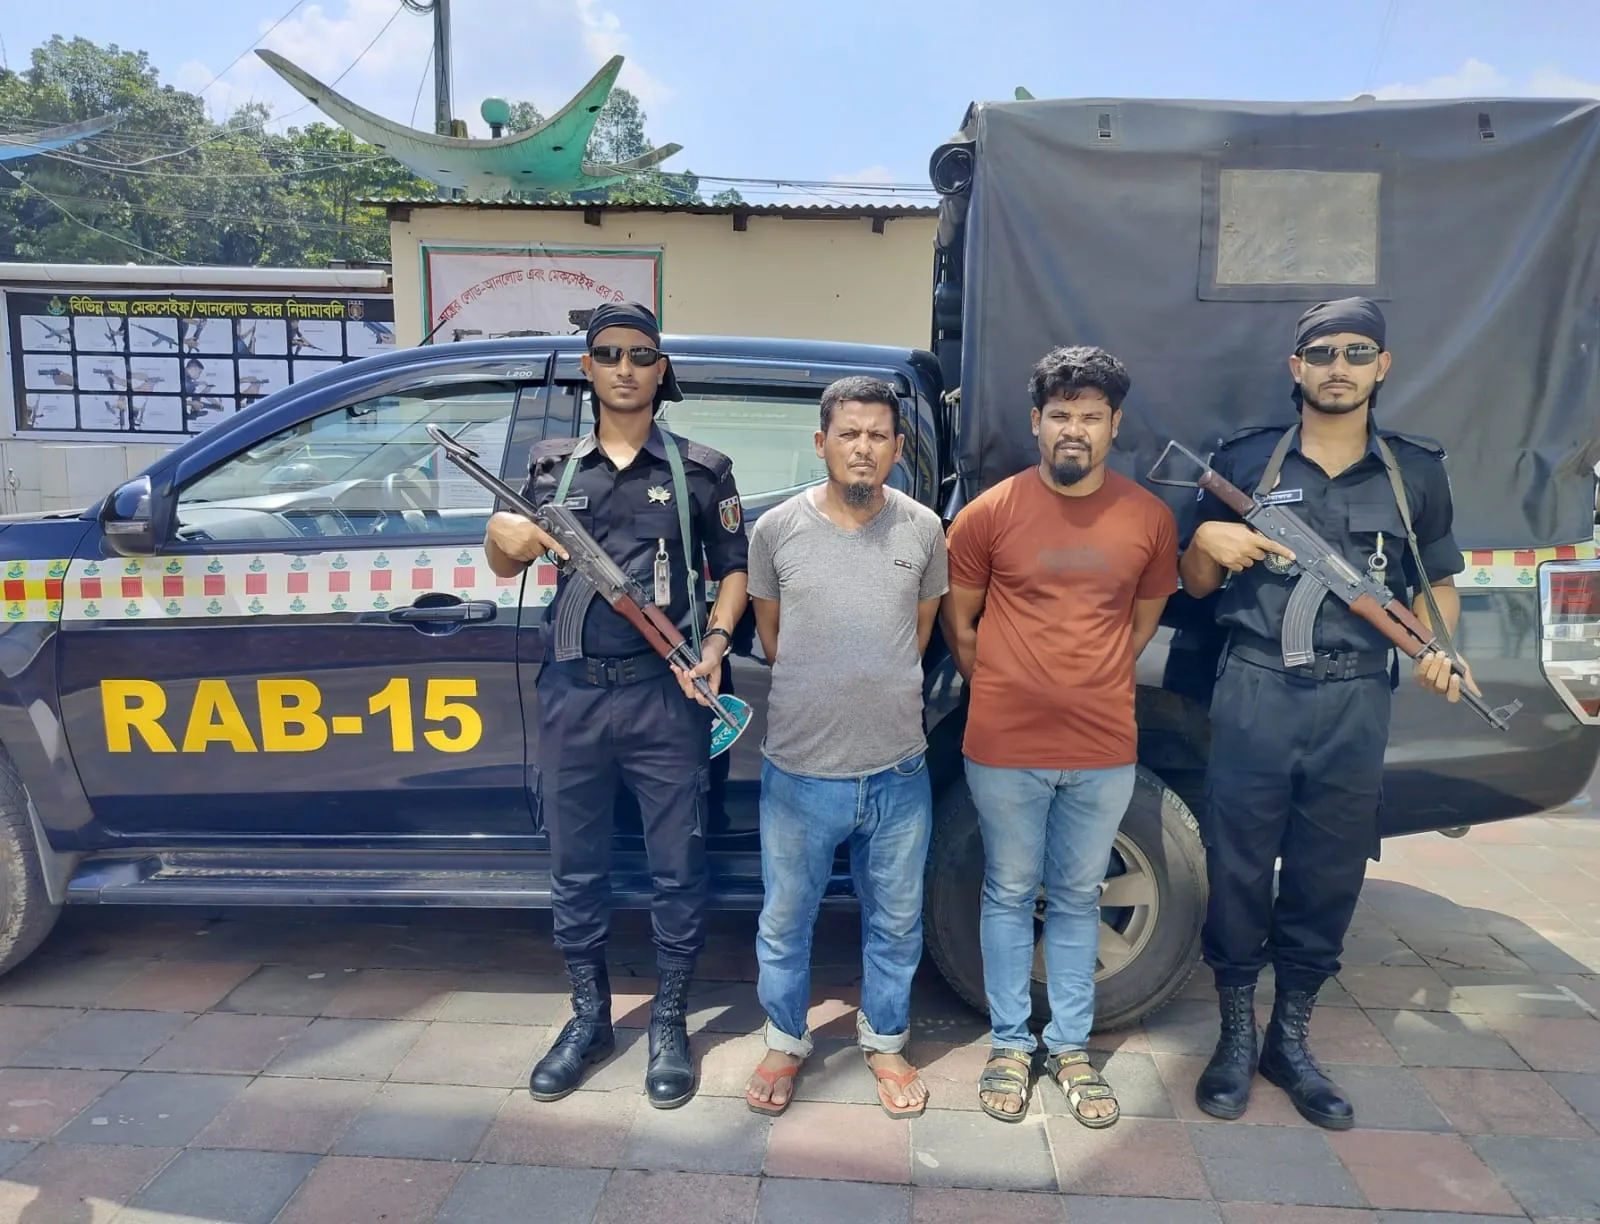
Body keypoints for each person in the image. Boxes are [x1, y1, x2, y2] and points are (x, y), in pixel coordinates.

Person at [1179, 297, 1471, 1130]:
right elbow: (1192, 584)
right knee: (1238, 863)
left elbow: (1436, 582)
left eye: (1356, 352)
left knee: (1330, 870)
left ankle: (1289, 1038)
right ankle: (1235, 1034)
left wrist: (1439, 648)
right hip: (1256, 686)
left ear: (1383, 366)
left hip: (1355, 697)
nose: (1338, 367)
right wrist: (1206, 544)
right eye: (1322, 353)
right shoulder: (1247, 461)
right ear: (1296, 367)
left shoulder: (1415, 473)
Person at [484, 302, 750, 1111]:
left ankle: (668, 1020)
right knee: (575, 867)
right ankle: (589, 1017)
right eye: (608, 354)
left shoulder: (701, 469)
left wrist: (715, 643)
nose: (625, 367)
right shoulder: (548, 467)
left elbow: (733, 566)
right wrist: (508, 538)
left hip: (666, 695)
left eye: (640, 354)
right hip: (572, 694)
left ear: (661, 370)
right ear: (588, 368)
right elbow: (502, 561)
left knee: (678, 866)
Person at [941, 346, 1179, 1127]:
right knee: (1009, 893)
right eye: (1060, 415)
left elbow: (1139, 627)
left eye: (1090, 416)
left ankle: (1071, 1048)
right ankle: (1011, 1044)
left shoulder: (1149, 520)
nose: (1074, 429)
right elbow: (961, 626)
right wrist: (1011, 689)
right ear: (1035, 422)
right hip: (1004, 748)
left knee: (1078, 897)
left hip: (1103, 749)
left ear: (1115, 425)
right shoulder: (988, 514)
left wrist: (1084, 686)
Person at [739, 375, 949, 1120]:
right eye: (849, 433)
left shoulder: (923, 529)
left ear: (898, 447)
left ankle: (885, 1039)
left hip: (898, 771)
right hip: (800, 773)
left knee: (895, 920)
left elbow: (917, 636)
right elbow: (773, 639)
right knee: (784, 920)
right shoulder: (776, 531)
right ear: (821, 442)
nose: (864, 447)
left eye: (878, 435)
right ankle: (784, 1040)